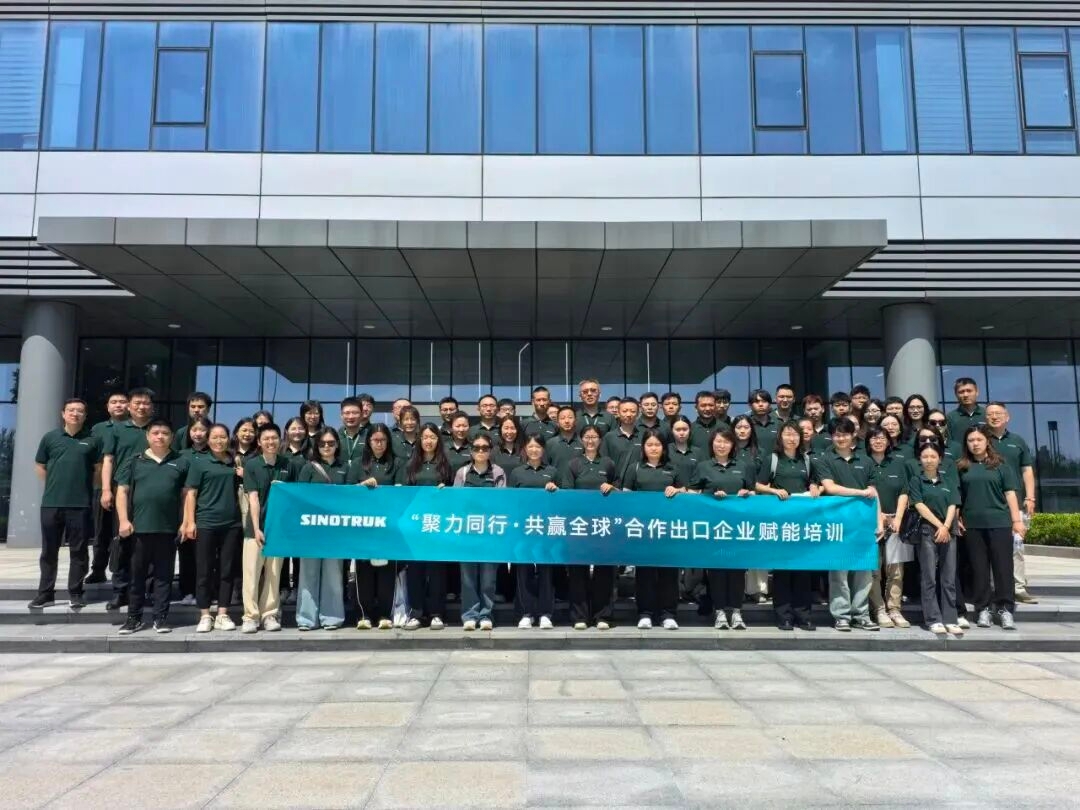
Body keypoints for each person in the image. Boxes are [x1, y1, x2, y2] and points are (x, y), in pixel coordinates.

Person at [116, 420, 189, 634]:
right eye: (155, 432)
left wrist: (185, 522)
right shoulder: (134, 461)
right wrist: (123, 520)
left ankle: (161, 618)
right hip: (138, 529)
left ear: (171, 437)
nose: (160, 436)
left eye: (165, 433)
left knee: (164, 577)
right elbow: (122, 491)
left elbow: (187, 495)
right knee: (136, 576)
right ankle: (134, 618)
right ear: (147, 436)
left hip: (168, 530)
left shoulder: (181, 461)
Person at [30, 398, 103, 610]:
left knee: (79, 551)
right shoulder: (50, 438)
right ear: (63, 414)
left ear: (85, 416)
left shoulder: (93, 440)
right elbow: (40, 466)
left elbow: (98, 470)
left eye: (80, 411)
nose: (75, 414)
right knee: (49, 551)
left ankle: (76, 592)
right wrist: (55, 486)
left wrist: (82, 487)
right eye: (71, 410)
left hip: (80, 504)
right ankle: (45, 593)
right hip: (51, 503)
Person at [958, 426, 1024, 630]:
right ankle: (983, 609)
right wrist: (958, 517)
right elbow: (957, 496)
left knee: (1003, 568)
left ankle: (1005, 609)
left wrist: (1016, 520)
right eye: (971, 440)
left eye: (979, 439)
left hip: (1000, 523)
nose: (975, 444)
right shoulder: (962, 467)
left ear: (987, 441)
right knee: (979, 569)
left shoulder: (1000, 465)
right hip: (972, 525)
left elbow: (1010, 493)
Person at [817, 419, 880, 632]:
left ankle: (861, 614)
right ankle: (841, 615)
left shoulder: (866, 460)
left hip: (863, 524)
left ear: (853, 435)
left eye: (845, 434)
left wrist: (879, 521)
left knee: (863, 571)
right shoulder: (825, 459)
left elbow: (874, 493)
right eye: (836, 434)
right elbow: (830, 488)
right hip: (836, 523)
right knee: (839, 572)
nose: (840, 438)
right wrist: (860, 493)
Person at [621, 428, 688, 630]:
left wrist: (677, 490)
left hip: (668, 529)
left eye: (657, 445)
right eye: (649, 445)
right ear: (643, 447)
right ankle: (645, 613)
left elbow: (686, 491)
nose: (653, 448)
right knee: (645, 574)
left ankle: (668, 614)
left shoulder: (673, 468)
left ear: (664, 447)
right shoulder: (635, 468)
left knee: (669, 573)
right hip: (643, 530)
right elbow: (626, 495)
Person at [756, 422, 819, 631]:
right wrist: (774, 491)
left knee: (803, 570)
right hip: (780, 522)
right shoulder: (773, 459)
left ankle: (804, 616)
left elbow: (814, 482)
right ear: (780, 437)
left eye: (795, 435)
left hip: (803, 522)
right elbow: (758, 485)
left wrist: (814, 487)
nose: (792, 438)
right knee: (782, 571)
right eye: (787, 434)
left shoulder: (807, 460)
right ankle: (784, 616)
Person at [181, 423, 242, 632]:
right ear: (208, 440)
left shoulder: (234, 462)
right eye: (214, 437)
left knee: (227, 570)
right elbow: (191, 494)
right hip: (206, 522)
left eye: (222, 437)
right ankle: (205, 614)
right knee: (204, 571)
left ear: (228, 439)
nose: (219, 441)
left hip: (231, 524)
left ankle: (223, 613)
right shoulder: (200, 463)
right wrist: (190, 522)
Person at [691, 425, 753, 630]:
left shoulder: (743, 466)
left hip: (738, 527)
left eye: (726, 441)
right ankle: (719, 612)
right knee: (717, 570)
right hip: (713, 527)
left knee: (737, 570)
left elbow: (754, 493)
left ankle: (736, 612)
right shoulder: (703, 466)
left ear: (732, 445)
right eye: (718, 441)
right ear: (712, 444)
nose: (721, 445)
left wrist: (747, 494)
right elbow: (692, 493)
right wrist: (709, 496)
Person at [101, 387, 154, 611]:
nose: (141, 407)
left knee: (149, 542)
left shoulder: (157, 429)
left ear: (152, 407)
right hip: (123, 491)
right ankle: (120, 591)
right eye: (137, 403)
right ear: (129, 406)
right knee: (122, 541)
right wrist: (106, 489)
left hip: (150, 491)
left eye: (146, 403)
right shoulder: (118, 429)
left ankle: (147, 591)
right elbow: (108, 460)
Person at [238, 422, 294, 633]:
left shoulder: (288, 464)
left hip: (279, 529)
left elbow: (293, 497)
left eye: (274, 438)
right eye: (266, 439)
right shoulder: (252, 465)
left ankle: (269, 614)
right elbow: (252, 498)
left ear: (280, 440)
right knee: (251, 573)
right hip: (256, 529)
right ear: (259, 442)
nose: (271, 442)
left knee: (274, 574)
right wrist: (256, 528)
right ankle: (250, 616)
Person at [561, 425, 618, 630]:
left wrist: (612, 487)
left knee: (605, 570)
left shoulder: (608, 463)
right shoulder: (573, 464)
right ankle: (580, 616)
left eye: (594, 437)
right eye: (587, 436)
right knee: (578, 571)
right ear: (581, 439)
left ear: (600, 440)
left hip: (604, 525)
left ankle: (603, 616)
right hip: (580, 525)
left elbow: (618, 488)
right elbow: (567, 493)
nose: (591, 440)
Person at [397, 424, 452, 630]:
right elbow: (403, 493)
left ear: (439, 440)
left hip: (438, 525)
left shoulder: (446, 465)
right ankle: (416, 613)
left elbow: (455, 493)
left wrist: (446, 490)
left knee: (437, 570)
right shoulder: (411, 465)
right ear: (419, 440)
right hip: (415, 525)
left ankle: (437, 613)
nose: (429, 441)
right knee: (415, 570)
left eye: (433, 437)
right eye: (425, 437)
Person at [984, 402, 1038, 604]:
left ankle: (1018, 587)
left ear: (1007, 417)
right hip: (990, 502)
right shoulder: (981, 440)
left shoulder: (1017, 441)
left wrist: (1030, 497)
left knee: (1016, 546)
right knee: (990, 548)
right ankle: (994, 588)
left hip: (1015, 503)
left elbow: (1027, 470)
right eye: (990, 414)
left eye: (998, 413)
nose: (994, 417)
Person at [909, 441, 963, 636]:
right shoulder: (916, 480)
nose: (929, 460)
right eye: (925, 457)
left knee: (948, 577)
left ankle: (950, 618)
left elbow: (953, 504)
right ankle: (933, 619)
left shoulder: (948, 480)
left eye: (933, 456)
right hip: (927, 530)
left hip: (948, 531)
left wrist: (946, 526)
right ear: (920, 459)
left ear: (940, 459)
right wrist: (939, 526)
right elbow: (919, 505)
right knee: (929, 577)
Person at [453, 433, 507, 631]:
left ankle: (486, 614)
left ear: (490, 451)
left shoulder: (498, 472)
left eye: (485, 448)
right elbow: (455, 501)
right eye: (477, 447)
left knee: (488, 577)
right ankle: (469, 614)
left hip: (490, 532)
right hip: (467, 532)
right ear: (471, 451)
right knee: (467, 576)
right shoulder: (463, 472)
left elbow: (502, 501)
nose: (481, 451)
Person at [295, 426, 346, 632]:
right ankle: (306, 618)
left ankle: (332, 618)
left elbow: (352, 497)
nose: (326, 446)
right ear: (316, 446)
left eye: (331, 443)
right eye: (322, 443)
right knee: (308, 574)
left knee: (333, 576)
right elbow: (299, 497)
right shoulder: (308, 468)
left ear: (337, 445)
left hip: (336, 531)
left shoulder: (345, 467)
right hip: (311, 530)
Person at [349, 424, 399, 630]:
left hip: (389, 527)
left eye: (383, 440)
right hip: (364, 527)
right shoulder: (358, 464)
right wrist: (361, 487)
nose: (379, 444)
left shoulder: (396, 463)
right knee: (364, 572)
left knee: (387, 572)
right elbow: (347, 493)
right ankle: (364, 614)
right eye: (375, 440)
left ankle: (385, 614)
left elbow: (401, 491)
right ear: (368, 442)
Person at [509, 435, 559, 629]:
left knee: (546, 571)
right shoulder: (517, 472)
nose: (534, 450)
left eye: (538, 446)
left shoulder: (552, 471)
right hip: (524, 527)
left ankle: (545, 613)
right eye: (530, 446)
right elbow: (511, 500)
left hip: (547, 527)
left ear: (543, 449)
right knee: (524, 570)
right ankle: (526, 613)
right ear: (525, 449)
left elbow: (561, 500)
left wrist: (555, 489)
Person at [866, 426, 910, 629]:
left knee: (896, 570)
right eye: (874, 438)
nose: (878, 441)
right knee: (874, 570)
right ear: (868, 441)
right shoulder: (864, 463)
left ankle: (894, 608)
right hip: (871, 524)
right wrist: (880, 517)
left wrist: (898, 518)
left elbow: (904, 492)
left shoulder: (898, 463)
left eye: (882, 438)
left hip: (895, 523)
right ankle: (878, 609)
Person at [87, 391, 128, 584]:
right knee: (101, 531)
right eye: (114, 402)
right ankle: (98, 569)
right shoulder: (98, 428)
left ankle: (120, 570)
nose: (118, 405)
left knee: (121, 530)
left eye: (122, 402)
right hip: (101, 486)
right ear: (108, 407)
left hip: (125, 486)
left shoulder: (135, 428)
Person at [176, 416, 211, 606]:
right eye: (194, 430)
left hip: (207, 509)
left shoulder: (215, 454)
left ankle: (204, 591)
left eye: (202, 430)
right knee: (186, 551)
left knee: (205, 555)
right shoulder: (181, 455)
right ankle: (187, 590)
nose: (198, 434)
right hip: (184, 508)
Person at [601, 397, 644, 481]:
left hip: (638, 484)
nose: (628, 414)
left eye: (633, 411)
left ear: (638, 414)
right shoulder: (609, 437)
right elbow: (603, 463)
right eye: (624, 411)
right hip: (615, 485)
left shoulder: (644, 436)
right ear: (618, 413)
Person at [546, 405, 583, 472]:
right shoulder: (550, 443)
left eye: (570, 417)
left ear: (576, 420)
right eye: (562, 418)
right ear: (557, 422)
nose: (567, 421)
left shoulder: (583, 442)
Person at [667, 416, 702, 483]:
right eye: (678, 430)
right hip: (670, 489)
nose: (682, 433)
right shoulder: (666, 450)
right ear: (672, 431)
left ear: (690, 430)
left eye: (685, 429)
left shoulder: (697, 452)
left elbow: (700, 476)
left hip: (692, 489)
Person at [339, 396, 370, 466]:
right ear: (341, 415)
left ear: (362, 415)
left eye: (355, 413)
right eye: (347, 413)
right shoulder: (335, 438)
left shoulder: (370, 436)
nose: (351, 417)